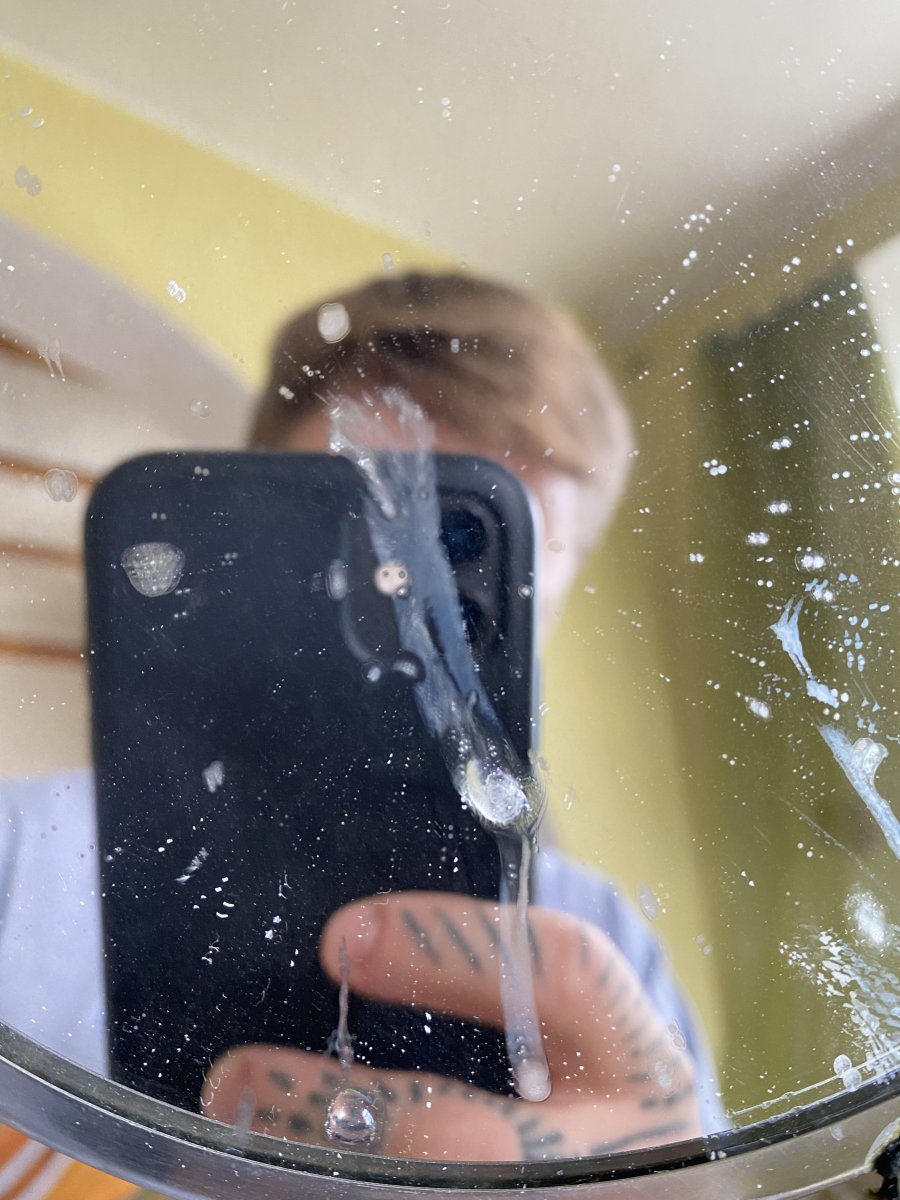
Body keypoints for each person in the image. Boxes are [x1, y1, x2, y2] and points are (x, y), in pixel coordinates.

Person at [0, 272, 720, 1196]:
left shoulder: (611, 955)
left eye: (470, 549)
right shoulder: (17, 851)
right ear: (247, 542)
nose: (412, 617)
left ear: (555, 600)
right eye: (361, 537)